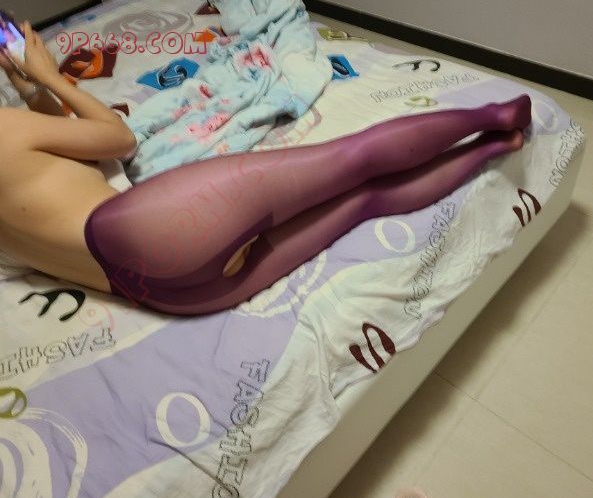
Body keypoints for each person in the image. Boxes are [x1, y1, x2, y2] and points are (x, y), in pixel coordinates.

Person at [0, 22, 531, 315]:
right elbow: (119, 140)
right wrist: (54, 76)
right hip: (152, 230)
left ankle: (490, 147)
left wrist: (32, 94)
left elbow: (56, 169)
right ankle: (496, 118)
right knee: (354, 160)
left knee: (368, 200)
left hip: (162, 292)